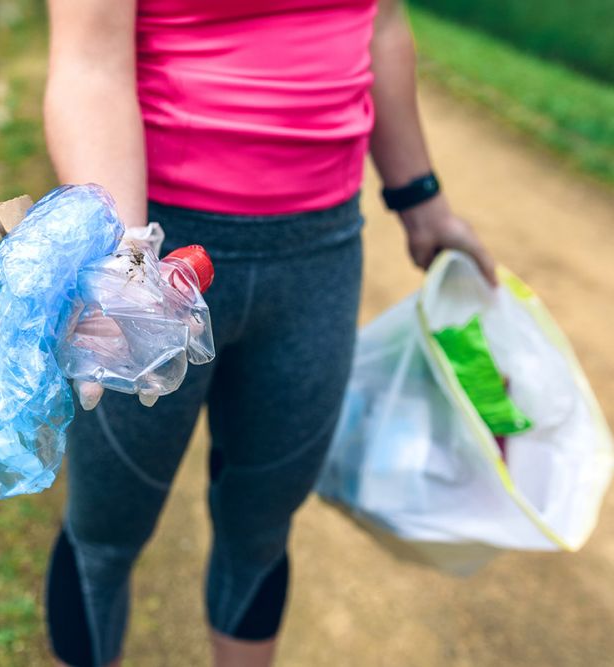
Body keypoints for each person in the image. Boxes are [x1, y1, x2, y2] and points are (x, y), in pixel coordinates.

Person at [42, 1, 497, 665]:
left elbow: (383, 20)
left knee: (261, 529)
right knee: (105, 533)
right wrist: (124, 270)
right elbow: (88, 64)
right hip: (153, 244)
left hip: (320, 255)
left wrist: (420, 197)